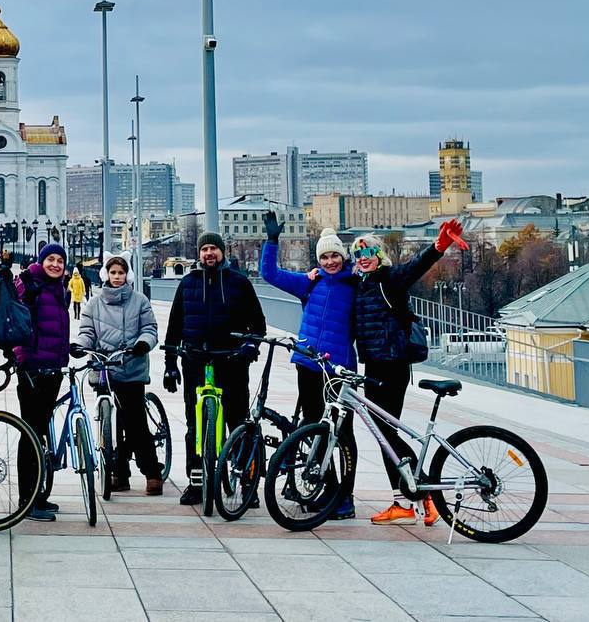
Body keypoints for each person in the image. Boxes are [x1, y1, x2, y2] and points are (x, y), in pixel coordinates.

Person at [353, 220, 464, 526]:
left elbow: (416, 266)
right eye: (358, 253)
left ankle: (424, 494)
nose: (363, 257)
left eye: (368, 251)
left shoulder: (390, 278)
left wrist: (440, 246)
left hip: (393, 365)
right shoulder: (360, 285)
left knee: (386, 433)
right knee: (383, 436)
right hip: (373, 366)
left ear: (380, 254)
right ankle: (403, 502)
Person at [260, 213, 357, 519]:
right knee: (313, 426)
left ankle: (345, 496)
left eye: (335, 256)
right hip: (309, 363)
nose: (330, 262)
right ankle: (325, 487)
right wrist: (272, 241)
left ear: (343, 257)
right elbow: (270, 275)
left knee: (343, 433)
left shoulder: (356, 285)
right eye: (325, 256)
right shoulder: (309, 284)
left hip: (340, 369)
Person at [163, 231, 265, 505]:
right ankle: (196, 484)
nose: (209, 254)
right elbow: (174, 328)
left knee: (238, 423)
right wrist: (170, 365)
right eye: (204, 249)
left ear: (222, 252)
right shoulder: (188, 283)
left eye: (213, 249)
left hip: (231, 360)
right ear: (199, 254)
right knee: (194, 426)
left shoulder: (240, 283)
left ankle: (247, 484)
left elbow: (258, 325)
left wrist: (249, 347)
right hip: (195, 360)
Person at [76, 255, 162, 495]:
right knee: (113, 425)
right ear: (106, 275)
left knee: (135, 424)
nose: (117, 277)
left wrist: (144, 344)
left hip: (131, 366)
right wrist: (80, 346)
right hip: (105, 367)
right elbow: (87, 331)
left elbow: (149, 329)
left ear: (128, 276)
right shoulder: (94, 303)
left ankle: (152, 472)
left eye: (121, 273)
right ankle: (119, 474)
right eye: (112, 273)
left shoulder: (139, 301)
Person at [13, 243, 72, 521]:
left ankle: (39, 494)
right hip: (33, 369)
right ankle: (28, 499)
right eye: (50, 259)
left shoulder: (59, 288)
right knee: (31, 432)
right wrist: (22, 358)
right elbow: (17, 321)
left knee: (41, 431)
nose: (55, 264)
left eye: (60, 260)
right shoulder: (29, 283)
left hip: (52, 367)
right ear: (41, 261)